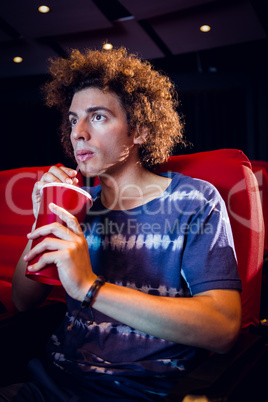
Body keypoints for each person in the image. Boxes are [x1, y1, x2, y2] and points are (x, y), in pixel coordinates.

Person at [1, 47, 241, 401]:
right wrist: (43, 216)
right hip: (50, 383)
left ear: (140, 130)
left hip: (139, 392)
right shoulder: (79, 204)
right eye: (72, 120)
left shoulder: (195, 199)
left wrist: (89, 287)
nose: (78, 133)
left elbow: (222, 328)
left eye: (97, 117)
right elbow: (23, 302)